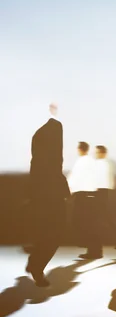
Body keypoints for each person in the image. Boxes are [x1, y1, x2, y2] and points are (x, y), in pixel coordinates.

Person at [26, 103, 70, 287]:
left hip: (40, 192)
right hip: (52, 194)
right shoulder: (54, 130)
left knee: (45, 231)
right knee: (55, 233)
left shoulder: (38, 138)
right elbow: (56, 166)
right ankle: (36, 264)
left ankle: (35, 262)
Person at [68, 141, 101, 259]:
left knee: (80, 222)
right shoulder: (91, 161)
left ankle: (91, 248)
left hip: (82, 195)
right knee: (90, 223)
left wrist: (69, 192)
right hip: (92, 194)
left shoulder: (81, 162)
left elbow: (74, 178)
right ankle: (95, 249)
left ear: (80, 149)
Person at [94, 145, 116, 250]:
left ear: (103, 153)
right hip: (103, 192)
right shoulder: (107, 164)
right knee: (105, 219)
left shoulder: (102, 164)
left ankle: (96, 248)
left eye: (97, 152)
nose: (96, 154)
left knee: (100, 220)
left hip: (100, 193)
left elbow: (99, 180)